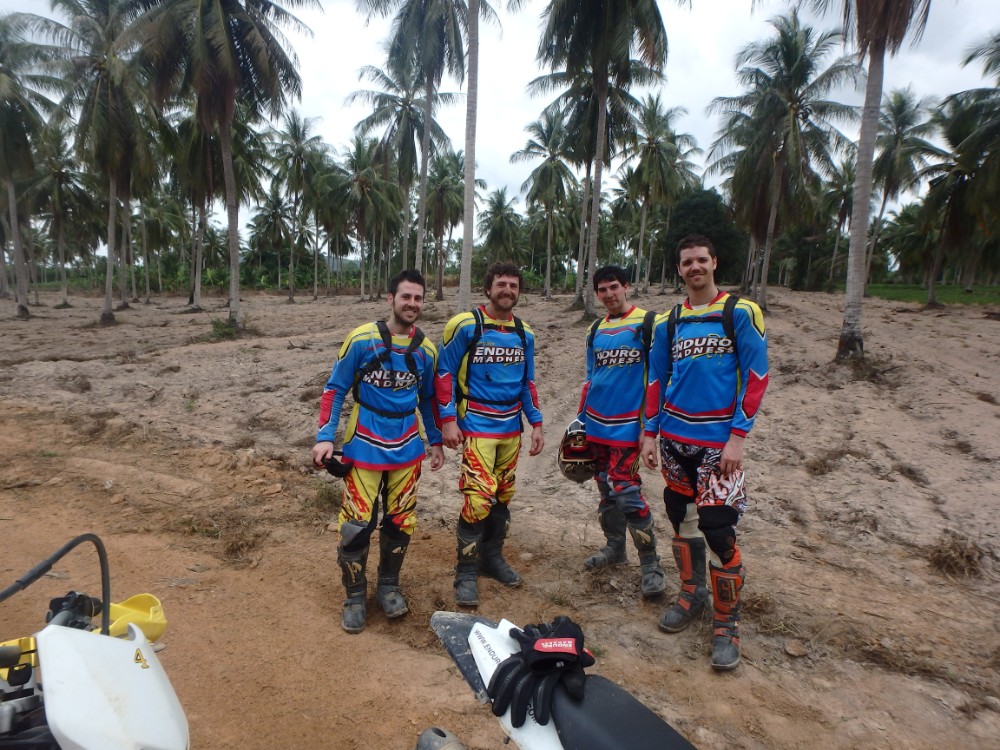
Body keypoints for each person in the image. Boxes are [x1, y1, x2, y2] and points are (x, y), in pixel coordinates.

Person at [640, 234, 768, 671]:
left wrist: (738, 438)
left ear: (714, 262)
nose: (694, 267)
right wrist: (650, 435)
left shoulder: (740, 312)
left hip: (719, 445)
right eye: (686, 262)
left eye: (701, 260)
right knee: (681, 517)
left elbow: (757, 376)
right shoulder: (668, 322)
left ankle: (727, 621)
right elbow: (656, 379)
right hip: (675, 440)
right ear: (679, 269)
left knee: (718, 529)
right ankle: (692, 593)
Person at [312, 269, 444, 634]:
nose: (412, 304)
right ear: (391, 298)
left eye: (418, 298)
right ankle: (355, 597)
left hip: (408, 446)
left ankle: (388, 586)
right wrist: (325, 436)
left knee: (401, 520)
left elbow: (429, 399)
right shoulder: (361, 339)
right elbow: (335, 388)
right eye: (406, 296)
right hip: (365, 442)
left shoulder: (427, 350)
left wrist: (435, 441)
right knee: (356, 524)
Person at [435, 261, 544, 607]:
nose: (507, 290)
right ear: (488, 289)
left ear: (519, 292)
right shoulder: (465, 325)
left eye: (513, 285)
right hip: (476, 425)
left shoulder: (525, 333)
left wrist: (537, 423)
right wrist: (448, 420)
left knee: (503, 496)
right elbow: (443, 373)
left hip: (511, 428)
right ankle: (466, 571)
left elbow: (527, 382)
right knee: (478, 498)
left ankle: (492, 557)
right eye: (501, 284)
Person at [575, 265, 665, 598]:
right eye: (602, 290)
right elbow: (590, 377)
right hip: (596, 424)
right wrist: (580, 421)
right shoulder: (595, 328)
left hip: (629, 426)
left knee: (627, 491)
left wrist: (649, 427)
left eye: (614, 287)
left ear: (626, 286)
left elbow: (658, 378)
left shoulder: (650, 323)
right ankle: (615, 547)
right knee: (605, 490)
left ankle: (651, 564)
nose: (609, 294)